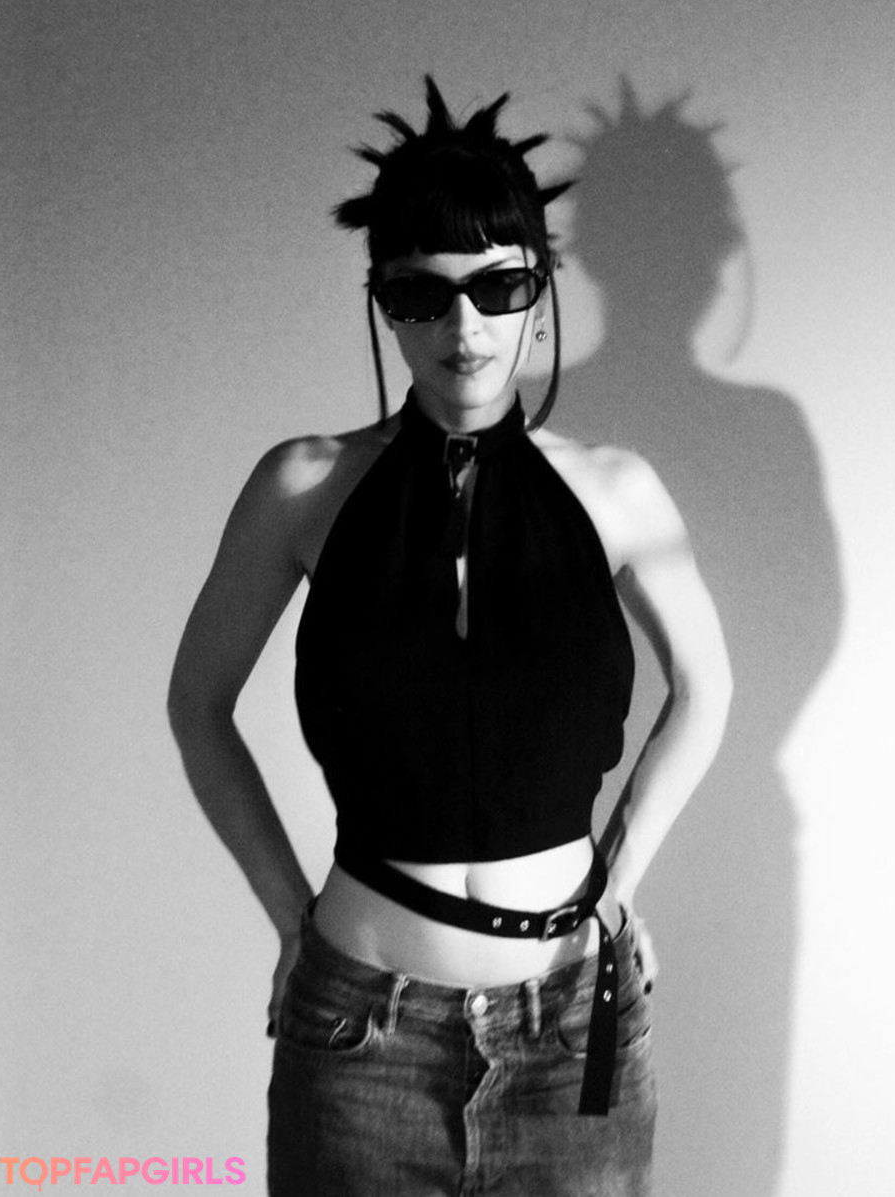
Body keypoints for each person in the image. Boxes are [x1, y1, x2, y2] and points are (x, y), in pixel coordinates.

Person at [167, 77, 732, 1197]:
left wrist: (619, 882)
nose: (463, 328)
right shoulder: (304, 485)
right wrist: (289, 919)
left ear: (541, 290)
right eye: (421, 294)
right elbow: (197, 706)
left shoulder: (617, 490)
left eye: (497, 286)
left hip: (573, 1032)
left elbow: (707, 689)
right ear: (383, 304)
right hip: (359, 1038)